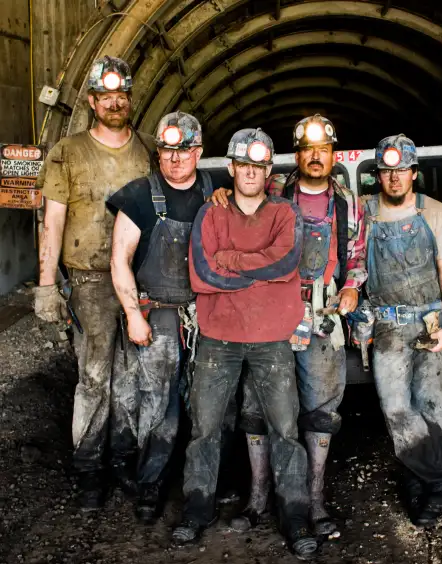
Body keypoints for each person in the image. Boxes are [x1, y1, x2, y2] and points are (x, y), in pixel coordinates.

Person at [211, 115, 367, 535]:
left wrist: (351, 287)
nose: (316, 157)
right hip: (269, 313)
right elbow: (239, 211)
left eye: (324, 149)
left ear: (333, 154)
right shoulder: (273, 191)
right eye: (307, 150)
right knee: (256, 405)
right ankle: (259, 497)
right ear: (296, 155)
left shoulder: (349, 203)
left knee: (320, 411)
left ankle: (313, 501)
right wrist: (224, 195)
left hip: (321, 315)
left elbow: (356, 258)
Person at [172, 129, 317, 559]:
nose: (250, 173)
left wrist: (231, 259)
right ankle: (196, 511)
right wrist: (261, 269)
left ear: (268, 170)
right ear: (232, 168)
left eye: (259, 166)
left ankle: (295, 515)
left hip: (273, 339)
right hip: (218, 338)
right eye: (243, 165)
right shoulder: (210, 215)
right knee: (204, 428)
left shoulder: (286, 213)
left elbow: (287, 261)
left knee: (286, 430)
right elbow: (203, 274)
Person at [34, 56, 155, 509]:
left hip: (142, 281)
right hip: (87, 281)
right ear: (92, 101)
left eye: (121, 95)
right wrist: (47, 284)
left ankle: (123, 458)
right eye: (106, 97)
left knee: (131, 375)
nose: (115, 103)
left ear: (130, 99)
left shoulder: (148, 148)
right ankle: (88, 467)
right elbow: (54, 222)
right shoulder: (68, 151)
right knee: (94, 376)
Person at [107, 112, 229, 523]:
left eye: (183, 151)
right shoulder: (139, 196)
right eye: (166, 151)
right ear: (157, 152)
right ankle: (150, 484)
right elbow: (119, 260)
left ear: (198, 152)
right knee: (157, 405)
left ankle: (207, 483)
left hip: (205, 315)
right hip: (156, 313)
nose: (174, 160)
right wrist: (132, 315)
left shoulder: (216, 193)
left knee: (210, 402)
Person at [363, 134, 442, 526]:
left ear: (413, 173)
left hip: (431, 319)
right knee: (396, 409)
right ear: (378, 176)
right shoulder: (363, 213)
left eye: (401, 170)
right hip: (388, 324)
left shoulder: (434, 212)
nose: (394, 178)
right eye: (386, 172)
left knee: (434, 406)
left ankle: (420, 482)